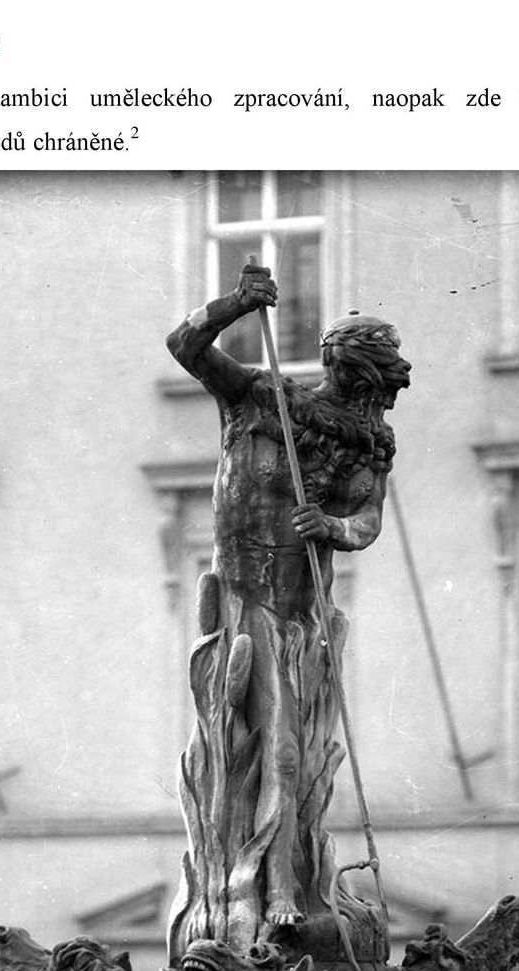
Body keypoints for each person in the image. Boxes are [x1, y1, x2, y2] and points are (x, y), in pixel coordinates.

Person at [166, 260, 410, 936]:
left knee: (288, 749)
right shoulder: (260, 397)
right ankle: (261, 885)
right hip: (241, 598)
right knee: (266, 750)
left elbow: (367, 519)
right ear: (344, 372)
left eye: (374, 389)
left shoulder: (363, 447)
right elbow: (184, 346)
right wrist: (236, 306)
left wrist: (330, 526)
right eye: (364, 384)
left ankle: (285, 883)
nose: (372, 400)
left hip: (297, 610)